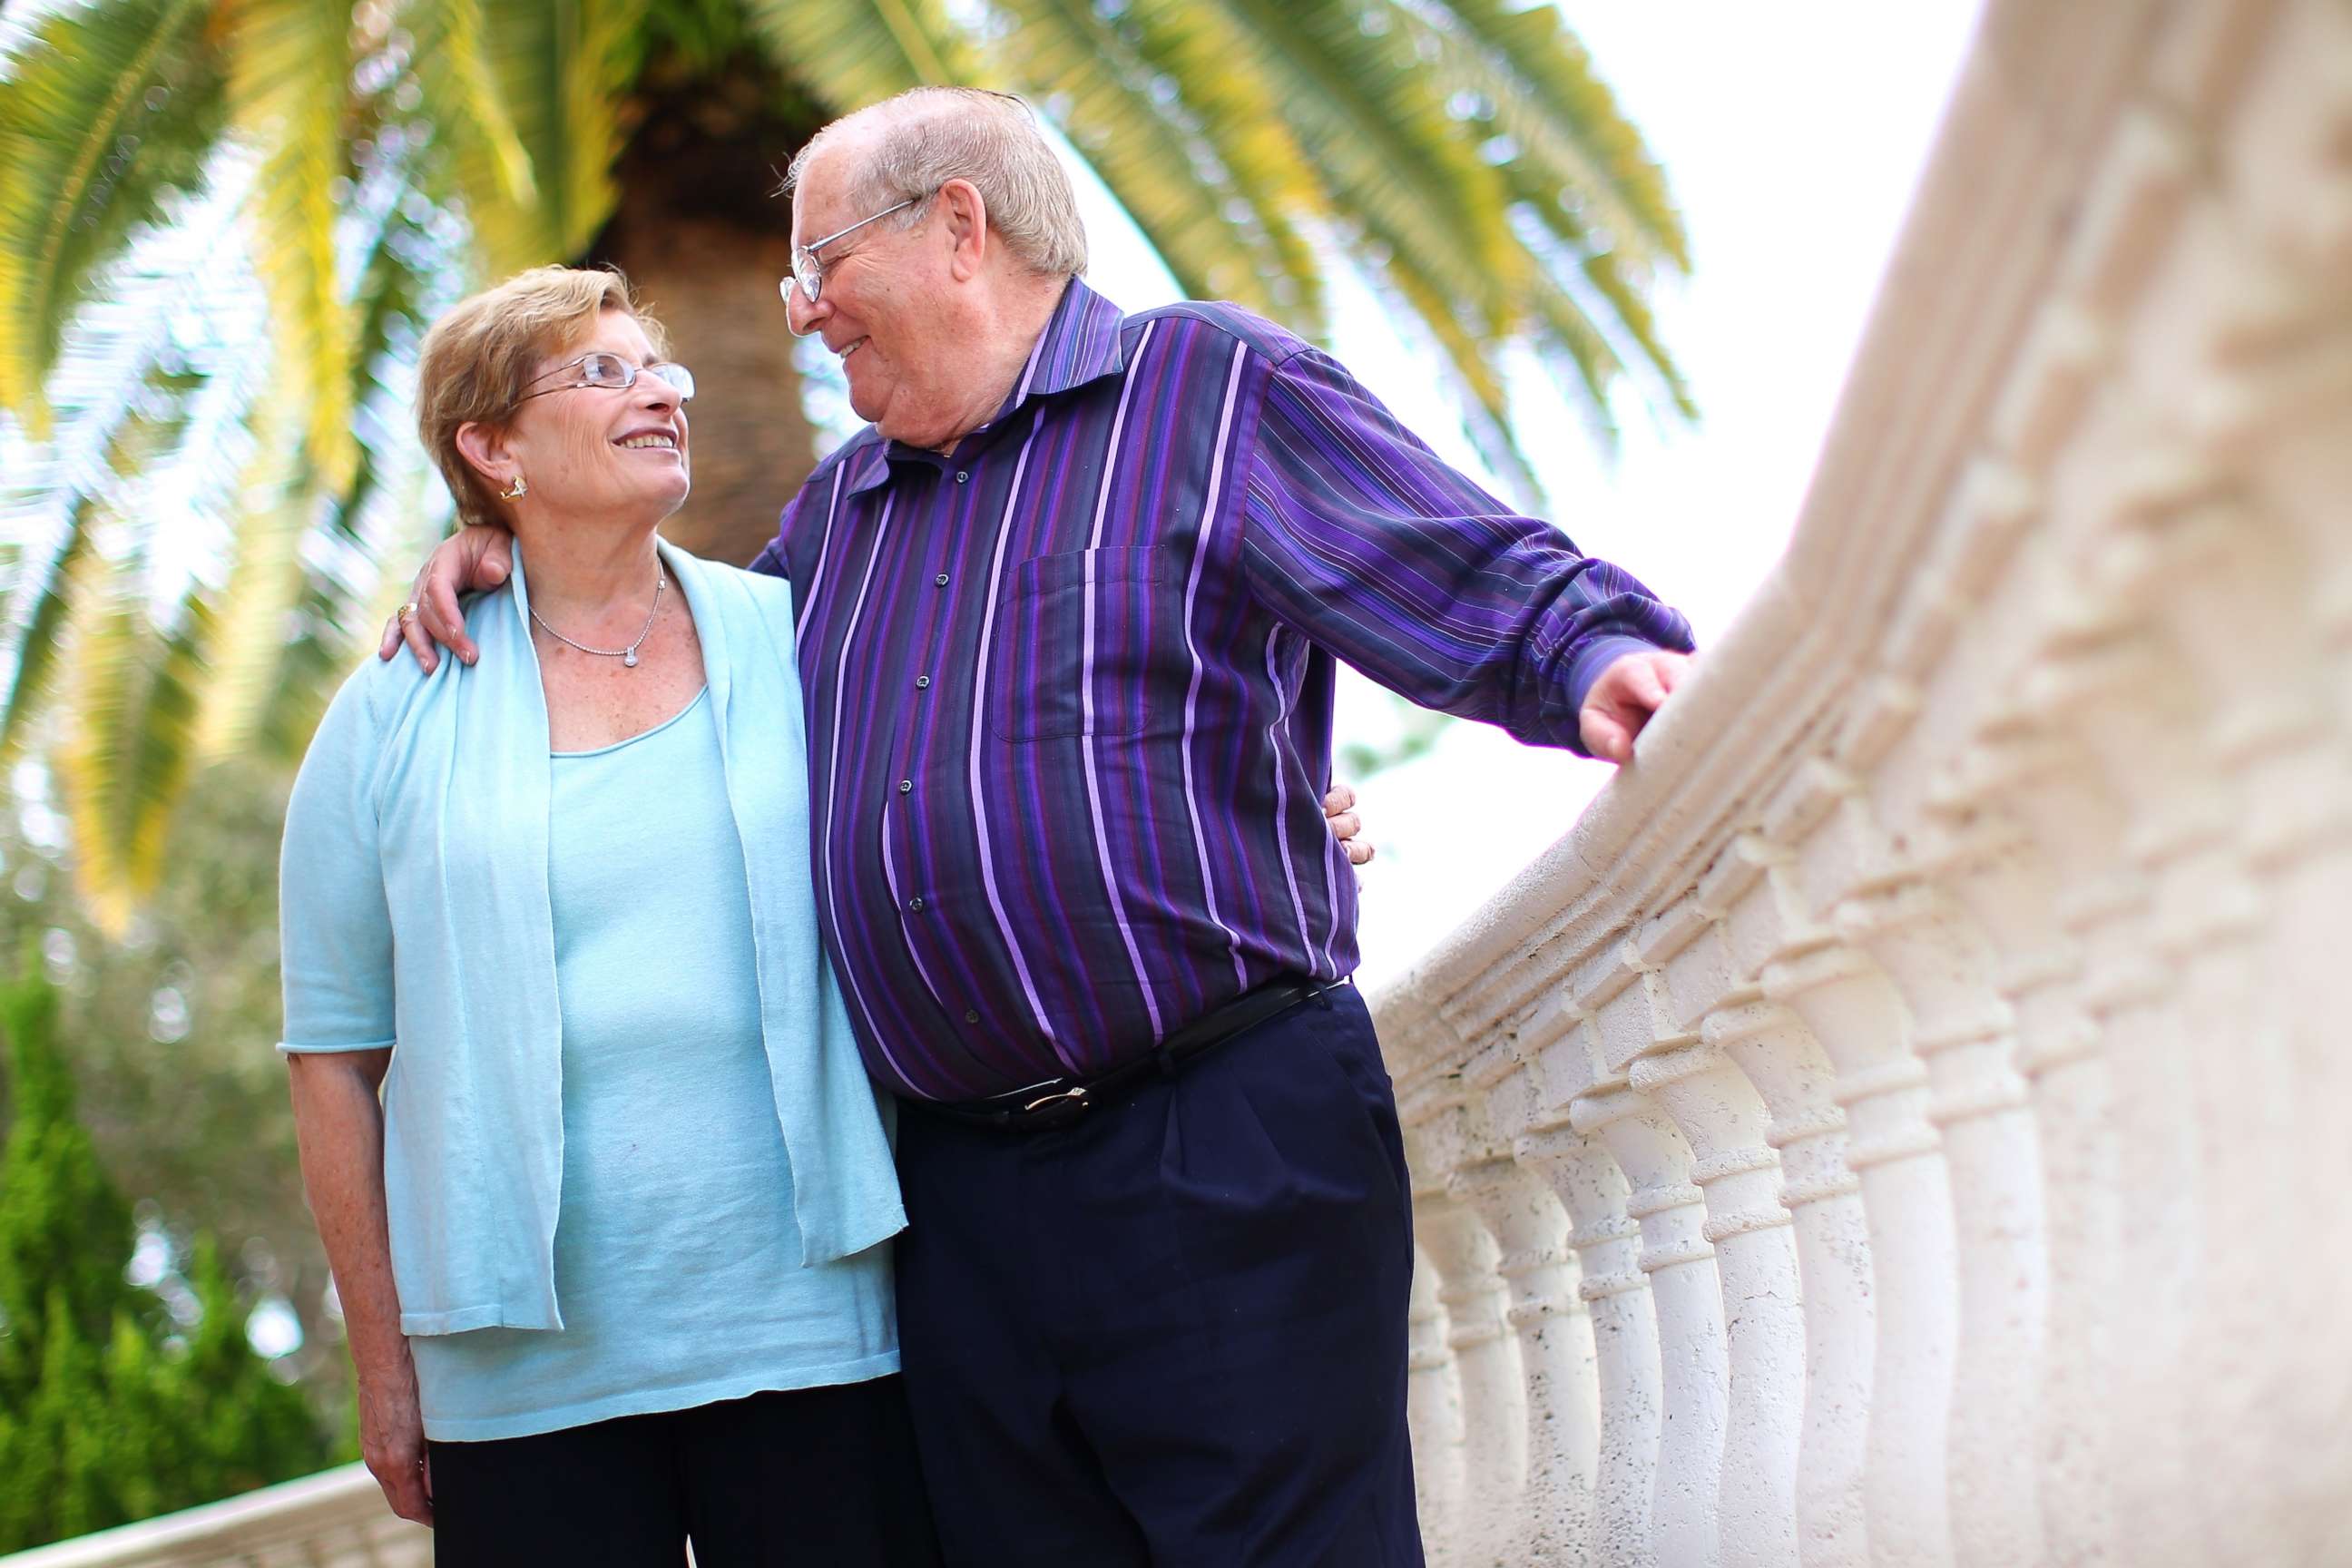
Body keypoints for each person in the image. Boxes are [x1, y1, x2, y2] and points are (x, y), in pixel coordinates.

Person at [388, 88, 1693, 1568]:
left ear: (957, 226)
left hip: (1222, 1147)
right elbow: (661, 678)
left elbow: (1451, 560)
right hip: (962, 1217)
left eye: (819, 265)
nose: (803, 312)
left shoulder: (1205, 385)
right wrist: (498, 543)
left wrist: (1593, 656)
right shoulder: (837, 519)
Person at [279, 267, 937, 1567]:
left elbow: (984, 767)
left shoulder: (797, 636)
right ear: (491, 446)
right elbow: (333, 1062)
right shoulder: (391, 712)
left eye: (659, 370)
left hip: (811, 1334)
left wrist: (1275, 796)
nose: (655, 395)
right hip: (521, 1384)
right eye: (601, 373)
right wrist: (386, 1367)